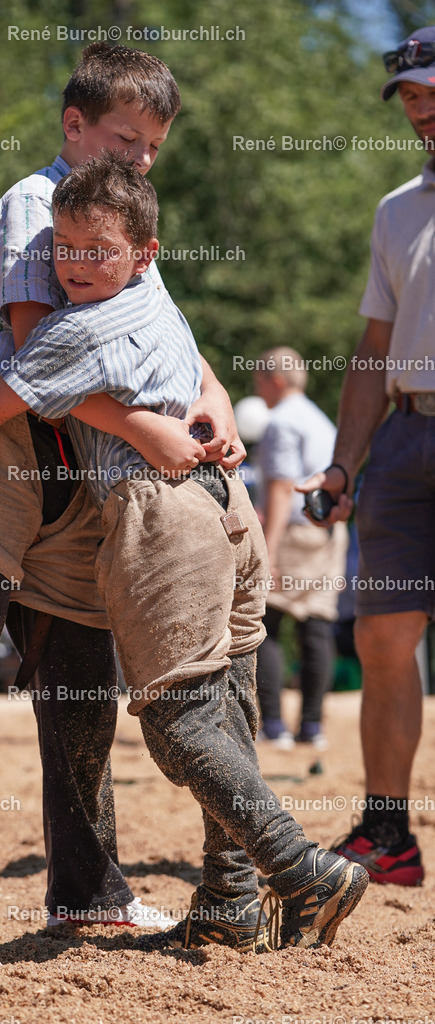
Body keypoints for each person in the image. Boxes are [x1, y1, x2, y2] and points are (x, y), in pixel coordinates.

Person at [0, 154, 369, 954]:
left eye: (96, 250)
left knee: (179, 721)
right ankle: (229, 897)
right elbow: (199, 376)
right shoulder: (153, 296)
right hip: (232, 510)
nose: (75, 265)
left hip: (162, 518)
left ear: (141, 252)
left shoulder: (70, 331)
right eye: (64, 251)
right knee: (229, 702)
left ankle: (300, 868)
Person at [0, 43, 244, 964]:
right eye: (126, 137)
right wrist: (146, 433)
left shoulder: (117, 215)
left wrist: (213, 399)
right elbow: (39, 356)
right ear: (73, 125)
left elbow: (159, 328)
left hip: (81, 463)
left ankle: (87, 893)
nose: (141, 158)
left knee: (80, 678)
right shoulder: (33, 209)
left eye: (155, 145)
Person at [299, 27, 435, 886]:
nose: (421, 110)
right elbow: (371, 352)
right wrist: (344, 464)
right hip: (403, 439)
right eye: (411, 98)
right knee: (382, 637)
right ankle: (388, 837)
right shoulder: (396, 210)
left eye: (431, 91)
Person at [254, 348, 348, 750]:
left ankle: (273, 726)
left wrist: (268, 551)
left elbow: (280, 488)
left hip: (293, 532)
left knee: (266, 625)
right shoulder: (321, 420)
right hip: (329, 532)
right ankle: (311, 726)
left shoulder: (280, 421)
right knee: (317, 626)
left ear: (275, 380)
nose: (258, 391)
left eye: (259, 381)